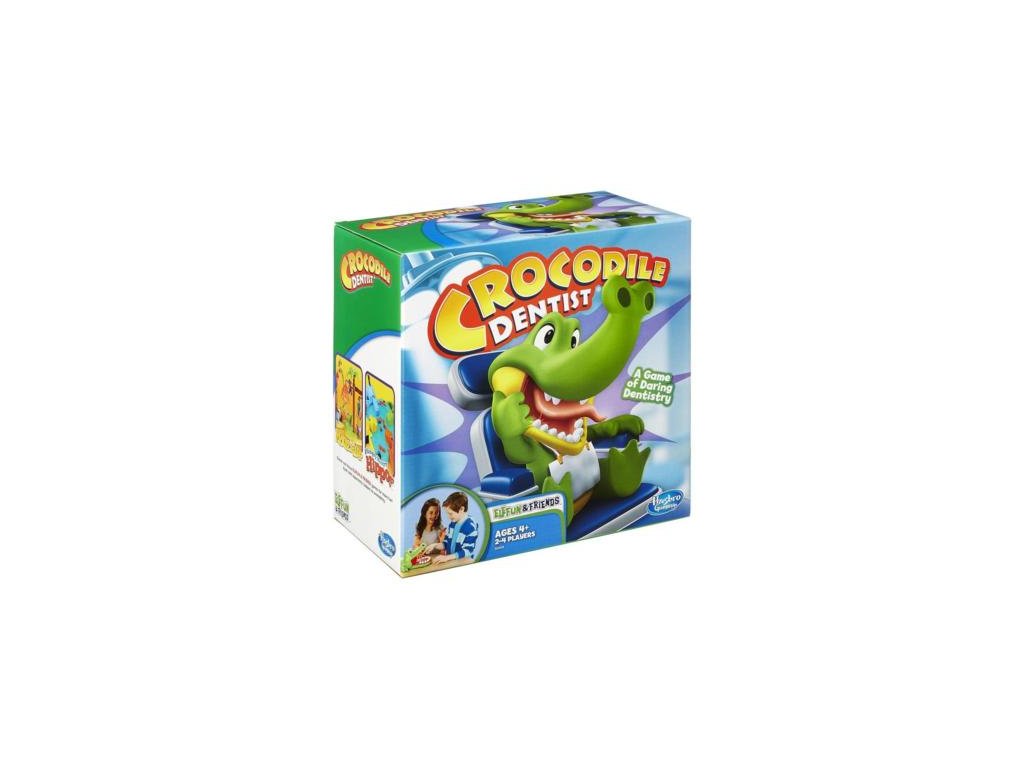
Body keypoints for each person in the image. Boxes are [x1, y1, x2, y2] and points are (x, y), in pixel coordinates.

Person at [424, 491, 478, 563]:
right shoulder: (452, 524)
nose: (448, 517)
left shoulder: (470, 527)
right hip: (451, 562)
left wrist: (447, 558)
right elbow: (446, 544)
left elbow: (468, 551)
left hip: (464, 563)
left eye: (450, 514)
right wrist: (434, 545)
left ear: (461, 509)